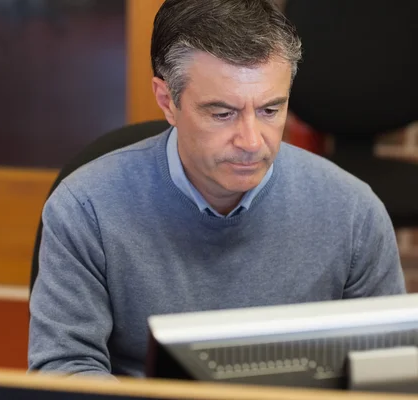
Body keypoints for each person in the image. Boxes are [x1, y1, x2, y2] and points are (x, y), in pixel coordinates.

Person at [28, 0, 406, 378]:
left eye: (270, 110)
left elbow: (387, 372)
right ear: (167, 101)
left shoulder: (354, 213)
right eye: (222, 114)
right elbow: (65, 368)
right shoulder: (86, 208)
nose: (251, 141)